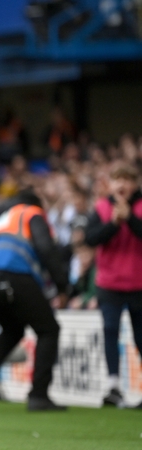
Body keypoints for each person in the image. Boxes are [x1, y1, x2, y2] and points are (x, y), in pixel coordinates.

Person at [0, 189, 70, 411]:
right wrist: (62, 285)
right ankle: (39, 395)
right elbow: (46, 248)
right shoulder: (30, 212)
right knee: (48, 329)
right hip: (13, 272)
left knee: (13, 330)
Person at [83, 164, 142, 409]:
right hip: (108, 283)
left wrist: (130, 219)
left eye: (128, 180)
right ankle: (113, 385)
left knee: (141, 335)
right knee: (110, 331)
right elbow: (90, 238)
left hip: (138, 282)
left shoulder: (139, 208)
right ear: (111, 184)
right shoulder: (101, 208)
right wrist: (114, 224)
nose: (123, 185)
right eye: (118, 180)